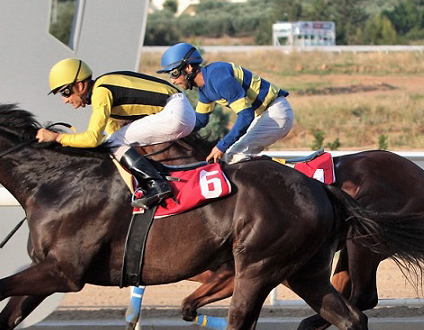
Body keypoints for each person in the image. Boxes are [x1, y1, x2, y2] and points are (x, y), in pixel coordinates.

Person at [36, 58, 196, 209]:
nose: (65, 100)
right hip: (179, 110)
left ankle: (156, 184)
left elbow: (93, 139)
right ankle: (150, 181)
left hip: (175, 110)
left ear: (79, 86)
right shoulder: (104, 92)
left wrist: (57, 137)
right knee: (115, 141)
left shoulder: (101, 91)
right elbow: (111, 140)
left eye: (65, 93)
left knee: (114, 141)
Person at [157, 42, 293, 163]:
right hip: (265, 115)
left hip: (275, 114)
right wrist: (172, 134)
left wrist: (221, 146)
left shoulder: (218, 78)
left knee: (234, 155)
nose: (173, 81)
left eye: (174, 74)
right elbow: (199, 121)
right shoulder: (204, 88)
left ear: (188, 68)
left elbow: (246, 116)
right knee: (229, 154)